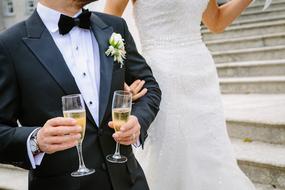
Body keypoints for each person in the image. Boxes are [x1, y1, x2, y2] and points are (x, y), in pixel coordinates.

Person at [0, 0, 161, 189]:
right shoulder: (9, 45)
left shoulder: (115, 27)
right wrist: (36, 140)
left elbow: (149, 86)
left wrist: (138, 121)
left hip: (130, 181)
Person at [104, 0, 260, 189]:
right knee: (172, 148)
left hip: (202, 74)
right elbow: (107, 24)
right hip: (162, 74)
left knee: (210, 149)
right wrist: (119, 77)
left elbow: (216, 21)